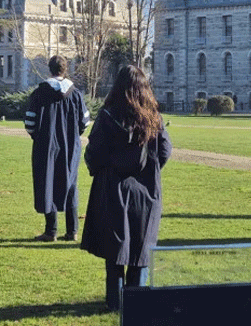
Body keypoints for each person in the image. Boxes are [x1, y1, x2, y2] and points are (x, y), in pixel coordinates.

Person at [81, 65, 172, 310]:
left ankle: (116, 301)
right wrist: (150, 172)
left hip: (114, 188)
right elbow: (164, 150)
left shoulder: (109, 115)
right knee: (140, 248)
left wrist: (101, 171)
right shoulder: (153, 117)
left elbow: (94, 152)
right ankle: (137, 300)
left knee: (115, 250)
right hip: (145, 192)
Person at [25, 55, 90, 242]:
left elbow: (30, 121)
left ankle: (50, 231)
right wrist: (73, 136)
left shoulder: (39, 93)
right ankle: (72, 231)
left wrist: (37, 136)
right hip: (70, 147)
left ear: (50, 69)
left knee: (48, 183)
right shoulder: (75, 94)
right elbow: (85, 121)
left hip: (46, 147)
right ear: (65, 69)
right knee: (70, 185)